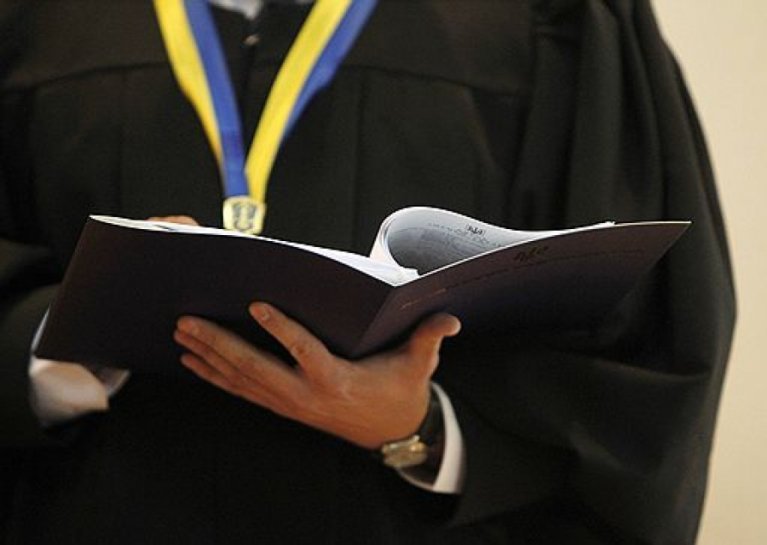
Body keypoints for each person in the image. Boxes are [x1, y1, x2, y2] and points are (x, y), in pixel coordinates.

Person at [0, 0, 735, 544]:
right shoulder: (32, 19)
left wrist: (420, 429)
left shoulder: (548, 20)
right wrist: (58, 345)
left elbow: (642, 349)